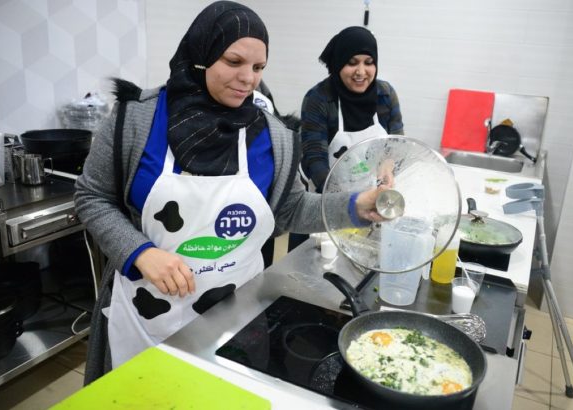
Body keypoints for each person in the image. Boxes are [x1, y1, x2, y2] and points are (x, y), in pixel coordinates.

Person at [74, 1, 386, 384]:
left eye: (258, 68)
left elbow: (288, 209)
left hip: (234, 314)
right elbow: (91, 196)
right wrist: (139, 252)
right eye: (234, 62)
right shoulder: (136, 121)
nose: (248, 79)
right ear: (200, 54)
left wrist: (355, 207)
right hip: (148, 315)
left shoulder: (272, 136)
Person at [289, 26, 404, 251]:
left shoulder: (385, 94)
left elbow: (397, 144)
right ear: (338, 63)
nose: (361, 72)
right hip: (322, 205)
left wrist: (388, 168)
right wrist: (350, 205)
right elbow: (315, 161)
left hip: (371, 201)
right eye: (352, 63)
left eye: (369, 62)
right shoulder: (319, 99)